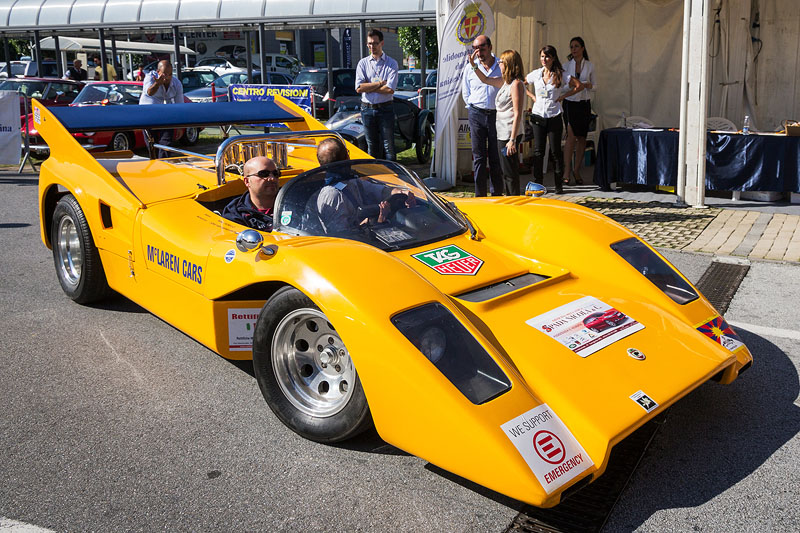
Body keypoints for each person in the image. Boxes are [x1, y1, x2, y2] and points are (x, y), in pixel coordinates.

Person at [315, 137, 414, 233]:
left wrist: (401, 192)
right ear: (346, 159)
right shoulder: (332, 195)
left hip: (368, 234)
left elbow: (378, 190)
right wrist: (375, 220)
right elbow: (341, 236)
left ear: (321, 165)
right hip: (358, 241)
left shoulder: (351, 181)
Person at [525, 45, 583, 194]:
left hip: (554, 115)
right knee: (538, 151)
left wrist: (563, 97)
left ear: (553, 58)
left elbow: (578, 85)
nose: (544, 59)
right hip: (538, 115)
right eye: (542, 56)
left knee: (555, 151)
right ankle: (538, 184)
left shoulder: (560, 74)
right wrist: (532, 96)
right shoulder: (536, 74)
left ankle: (558, 185)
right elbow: (520, 83)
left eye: (547, 57)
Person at [467, 49, 525, 196]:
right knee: (505, 169)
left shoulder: (516, 84)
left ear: (509, 64)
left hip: (509, 133)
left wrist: (512, 140)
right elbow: (485, 80)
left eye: (502, 62)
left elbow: (517, 113)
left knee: (510, 172)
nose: (499, 64)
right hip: (502, 132)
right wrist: (473, 65)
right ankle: (509, 198)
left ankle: (513, 200)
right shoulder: (506, 82)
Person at [462, 34, 503, 197]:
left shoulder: (501, 65)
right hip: (477, 114)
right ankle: (480, 195)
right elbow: (466, 92)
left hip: (496, 115)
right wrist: (474, 107)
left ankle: (496, 193)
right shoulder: (470, 68)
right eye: (475, 49)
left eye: (481, 48)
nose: (478, 52)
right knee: (479, 157)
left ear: (490, 47)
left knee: (495, 156)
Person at [355, 29, 399, 161]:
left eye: (375, 43)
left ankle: (392, 172)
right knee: (371, 146)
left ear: (382, 43)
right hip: (367, 109)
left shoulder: (391, 63)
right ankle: (374, 173)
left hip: (385, 108)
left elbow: (390, 89)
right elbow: (359, 88)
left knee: (388, 146)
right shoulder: (363, 63)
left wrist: (368, 87)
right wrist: (380, 84)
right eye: (369, 44)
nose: (372, 46)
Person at [562, 37, 596, 186]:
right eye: (571, 47)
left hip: (584, 104)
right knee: (571, 136)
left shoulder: (589, 65)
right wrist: (571, 86)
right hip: (570, 103)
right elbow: (561, 87)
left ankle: (576, 170)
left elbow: (596, 86)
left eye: (576, 46)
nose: (574, 49)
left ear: (582, 48)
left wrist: (588, 85)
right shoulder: (565, 66)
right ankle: (566, 171)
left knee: (582, 138)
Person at [140, 60, 184, 158]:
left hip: (165, 114)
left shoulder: (176, 83)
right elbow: (149, 92)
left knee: (166, 144)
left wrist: (180, 127)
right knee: (152, 145)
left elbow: (180, 105)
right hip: (148, 114)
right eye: (165, 74)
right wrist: (157, 84)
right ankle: (155, 162)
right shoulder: (150, 77)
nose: (167, 77)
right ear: (158, 72)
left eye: (170, 74)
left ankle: (164, 163)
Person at [222, 156, 280, 231]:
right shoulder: (235, 213)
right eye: (263, 174)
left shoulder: (291, 203)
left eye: (275, 174)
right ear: (247, 181)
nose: (272, 178)